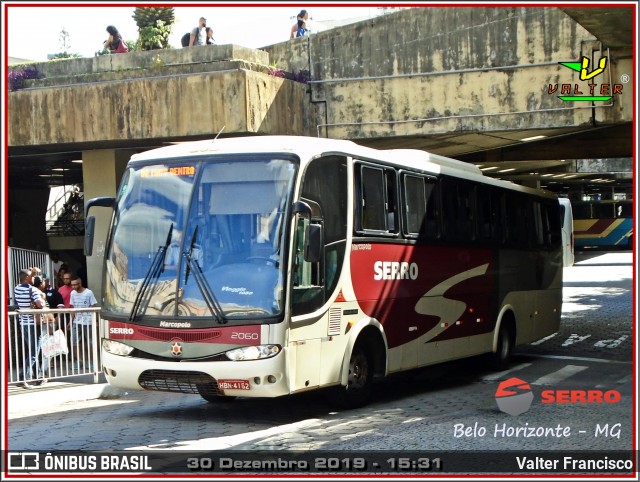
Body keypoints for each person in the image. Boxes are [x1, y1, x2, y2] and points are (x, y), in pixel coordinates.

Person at [14, 269, 44, 388]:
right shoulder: (33, 289)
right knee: (33, 352)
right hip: (33, 324)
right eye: (32, 277)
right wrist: (42, 297)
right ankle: (23, 377)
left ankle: (38, 377)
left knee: (32, 350)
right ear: (27, 278)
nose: (34, 279)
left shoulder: (17, 288)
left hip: (23, 323)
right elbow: (40, 304)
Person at [68, 276, 98, 371]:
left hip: (88, 321)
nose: (73, 287)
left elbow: (94, 306)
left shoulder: (88, 293)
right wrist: (70, 321)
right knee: (74, 342)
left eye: (75, 285)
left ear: (80, 284)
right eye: (72, 285)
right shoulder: (72, 293)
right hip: (77, 321)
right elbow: (73, 308)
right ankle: (79, 361)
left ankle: (92, 361)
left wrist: (96, 320)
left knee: (90, 343)